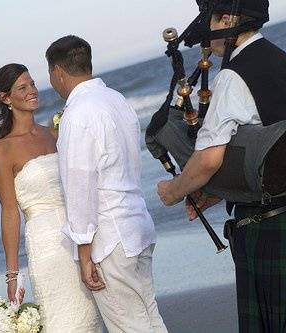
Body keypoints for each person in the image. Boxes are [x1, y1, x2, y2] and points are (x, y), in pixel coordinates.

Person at [156, 0, 286, 332]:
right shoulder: (281, 59)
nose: (205, 33)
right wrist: (217, 193)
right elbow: (268, 150)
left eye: (209, 19)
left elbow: (209, 159)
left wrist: (173, 190)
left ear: (227, 19)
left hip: (271, 226)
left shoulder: (232, 76)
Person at [46, 35, 168, 333]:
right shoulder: (115, 98)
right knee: (149, 319)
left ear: (58, 72)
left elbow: (80, 186)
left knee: (130, 326)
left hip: (109, 237)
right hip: (136, 223)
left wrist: (84, 252)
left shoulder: (77, 114)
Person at [0, 63, 102, 332]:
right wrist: (12, 275)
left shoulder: (54, 134)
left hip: (82, 236)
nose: (32, 91)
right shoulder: (0, 150)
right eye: (22, 88)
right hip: (47, 245)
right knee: (66, 321)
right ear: (6, 98)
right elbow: (9, 212)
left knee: (94, 319)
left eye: (33, 84)